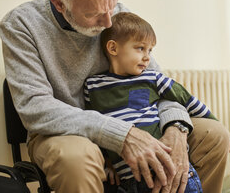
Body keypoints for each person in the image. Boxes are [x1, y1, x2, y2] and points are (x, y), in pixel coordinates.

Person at [0, 0, 230, 192]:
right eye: (94, 14)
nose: (109, 22)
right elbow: (35, 108)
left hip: (134, 122)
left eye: (110, 7)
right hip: (63, 131)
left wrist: (176, 128)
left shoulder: (119, 14)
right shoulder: (20, 25)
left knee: (214, 135)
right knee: (77, 158)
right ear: (59, 4)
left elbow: (157, 84)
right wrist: (119, 134)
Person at [85, 12, 218, 192]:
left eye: (150, 50)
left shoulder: (153, 78)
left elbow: (186, 99)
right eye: (140, 48)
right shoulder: (92, 86)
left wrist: (214, 121)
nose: (147, 57)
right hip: (128, 182)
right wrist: (107, 164)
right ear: (113, 48)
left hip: (167, 171)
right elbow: (93, 128)